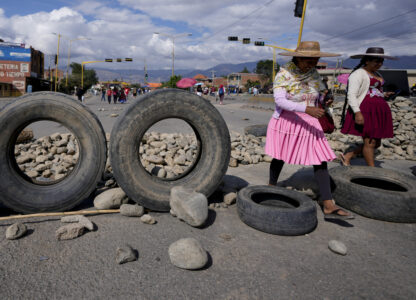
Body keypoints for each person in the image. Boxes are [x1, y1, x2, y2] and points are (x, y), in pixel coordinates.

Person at [265, 41, 353, 220]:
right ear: (297, 57)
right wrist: (306, 108)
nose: (312, 64)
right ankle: (271, 187)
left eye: (315, 60)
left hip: (311, 120)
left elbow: (318, 93)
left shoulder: (314, 73)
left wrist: (324, 99)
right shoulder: (284, 74)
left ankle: (328, 203)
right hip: (288, 121)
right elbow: (280, 101)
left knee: (320, 158)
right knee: (280, 155)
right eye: (308, 60)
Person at [340, 47, 396, 167]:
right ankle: (372, 170)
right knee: (370, 141)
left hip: (378, 111)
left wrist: (384, 94)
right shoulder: (358, 74)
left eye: (381, 61)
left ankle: (349, 155)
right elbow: (351, 94)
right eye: (376, 61)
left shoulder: (376, 74)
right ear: (367, 61)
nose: (379, 64)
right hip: (366, 110)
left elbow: (373, 91)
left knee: (376, 143)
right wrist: (357, 112)